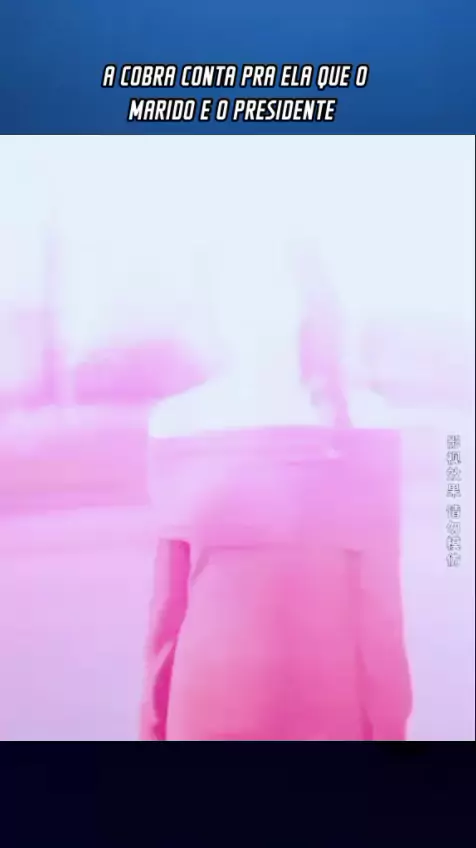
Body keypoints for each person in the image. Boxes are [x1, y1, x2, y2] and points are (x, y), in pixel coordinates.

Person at [139, 259, 412, 741]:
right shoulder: (176, 422)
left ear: (305, 304)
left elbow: (381, 613)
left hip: (328, 718)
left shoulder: (363, 421)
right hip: (204, 718)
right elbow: (167, 613)